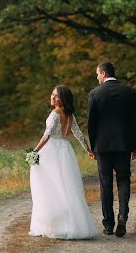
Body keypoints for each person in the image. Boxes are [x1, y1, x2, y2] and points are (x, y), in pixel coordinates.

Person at [29, 85, 99, 239]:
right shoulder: (70, 115)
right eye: (52, 94)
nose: (53, 98)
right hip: (65, 150)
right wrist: (88, 150)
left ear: (63, 99)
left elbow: (47, 136)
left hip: (51, 151)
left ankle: (53, 223)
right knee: (66, 186)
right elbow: (78, 135)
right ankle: (71, 224)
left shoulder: (55, 114)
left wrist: (34, 152)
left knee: (49, 186)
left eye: (57, 96)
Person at [88, 61, 136, 237]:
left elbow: (91, 123)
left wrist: (93, 146)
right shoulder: (129, 92)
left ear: (103, 73)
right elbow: (135, 121)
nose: (97, 77)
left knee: (105, 183)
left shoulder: (95, 94)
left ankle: (108, 224)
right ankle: (123, 214)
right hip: (124, 145)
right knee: (124, 180)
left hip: (102, 147)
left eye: (97, 74)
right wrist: (135, 146)